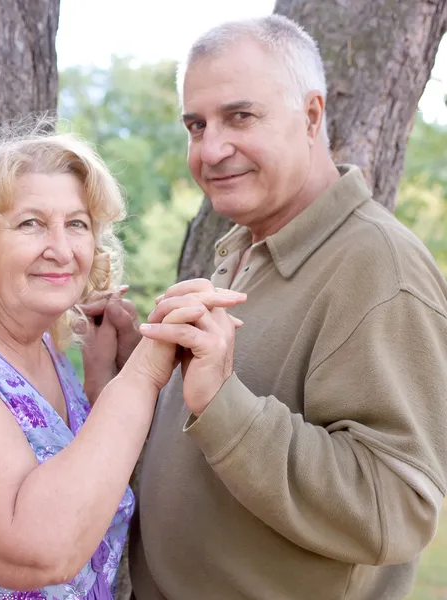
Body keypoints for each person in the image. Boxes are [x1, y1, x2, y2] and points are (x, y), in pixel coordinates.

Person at [0, 119, 246, 600]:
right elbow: (39, 549)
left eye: (76, 224)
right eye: (30, 223)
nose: (60, 250)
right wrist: (143, 373)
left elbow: (73, 485)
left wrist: (102, 385)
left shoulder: (40, 346)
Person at [127, 15, 447, 600]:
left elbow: (396, 509)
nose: (212, 148)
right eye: (196, 125)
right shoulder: (247, 246)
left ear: (312, 116)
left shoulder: (378, 268)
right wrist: (129, 374)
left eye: (240, 116)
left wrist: (223, 404)